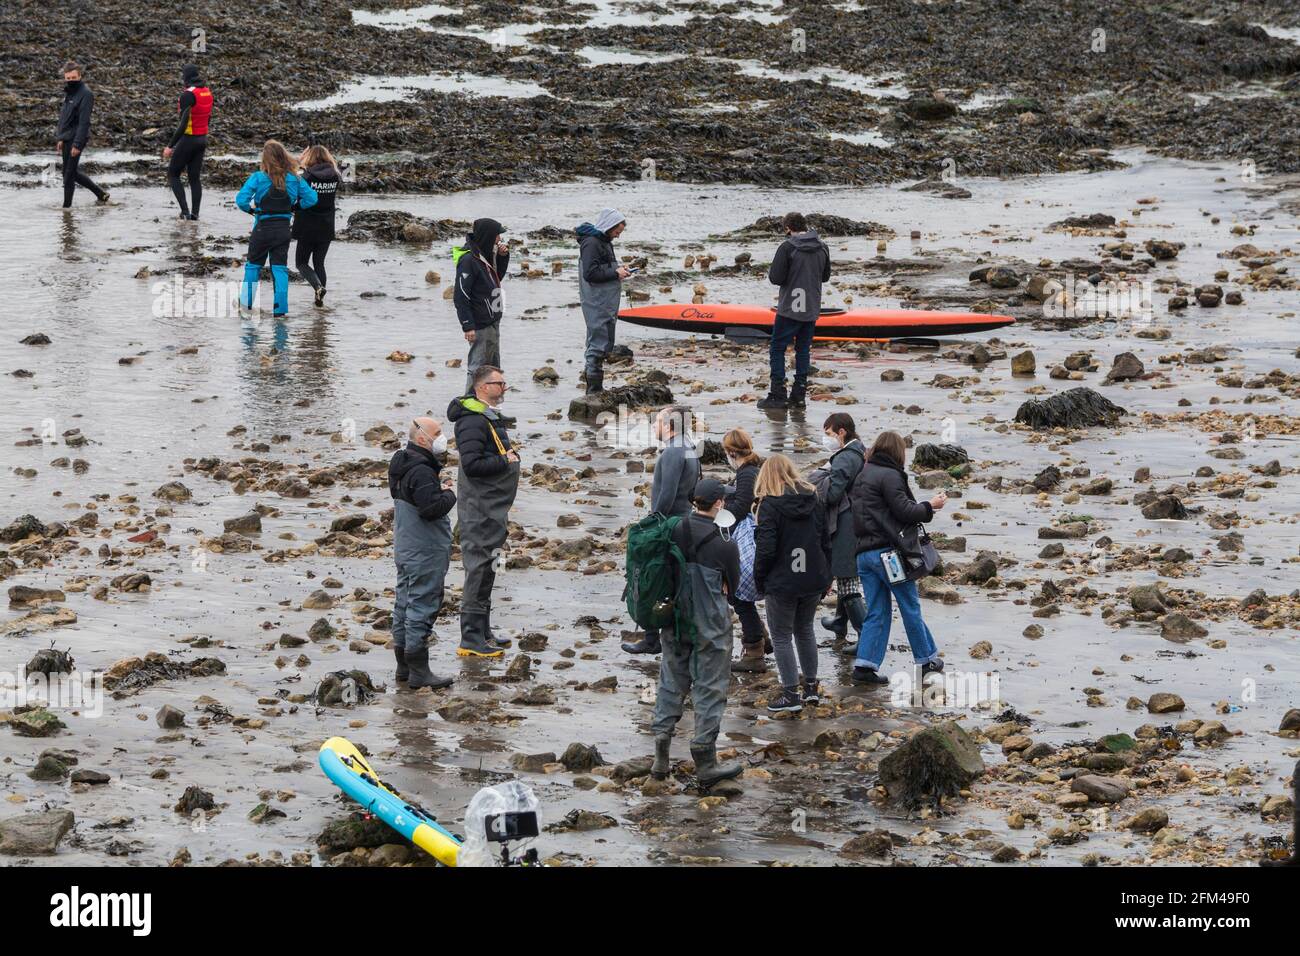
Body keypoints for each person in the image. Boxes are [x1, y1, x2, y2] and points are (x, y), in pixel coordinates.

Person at [649, 478, 743, 789]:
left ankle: (661, 755)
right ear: (718, 504)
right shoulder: (725, 542)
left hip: (675, 618)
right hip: (710, 624)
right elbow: (734, 586)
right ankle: (705, 760)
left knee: (671, 680)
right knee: (710, 686)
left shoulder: (673, 530)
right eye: (723, 500)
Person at [848, 430, 947, 685]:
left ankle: (865, 666)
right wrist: (930, 506)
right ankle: (926, 661)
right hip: (888, 556)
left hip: (864, 554)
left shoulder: (863, 474)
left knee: (877, 611)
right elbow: (905, 511)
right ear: (897, 452)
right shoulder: (890, 475)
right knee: (909, 606)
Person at [447, 365, 519, 657]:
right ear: (480, 387)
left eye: (504, 382)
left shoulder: (486, 416)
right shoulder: (472, 421)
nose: (503, 387)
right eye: (498, 383)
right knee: (479, 568)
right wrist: (506, 461)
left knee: (490, 565)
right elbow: (473, 466)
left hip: (492, 508)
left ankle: (484, 629)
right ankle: (471, 638)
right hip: (479, 509)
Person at [752, 454, 832, 713]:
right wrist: (827, 576)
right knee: (805, 629)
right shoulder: (814, 499)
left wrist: (759, 579)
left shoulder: (769, 506)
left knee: (782, 635)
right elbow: (824, 541)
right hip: (812, 576)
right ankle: (810, 689)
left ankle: (790, 694)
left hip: (783, 580)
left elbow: (766, 549)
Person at [622, 404, 700, 655]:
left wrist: (653, 523)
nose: (654, 426)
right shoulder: (688, 448)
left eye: (657, 422)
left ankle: (652, 638)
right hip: (683, 521)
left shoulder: (673, 452)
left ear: (668, 426)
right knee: (672, 579)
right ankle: (667, 634)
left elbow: (667, 492)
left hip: (668, 525)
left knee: (653, 578)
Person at [388, 417, 456, 691]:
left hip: (405, 545)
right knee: (422, 604)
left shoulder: (402, 463)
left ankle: (403, 667)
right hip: (424, 549)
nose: (443, 437)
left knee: (403, 603)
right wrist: (449, 493)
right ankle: (419, 670)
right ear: (422, 440)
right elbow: (430, 509)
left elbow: (416, 499)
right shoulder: (422, 471)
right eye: (438, 433)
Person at [236, 140, 317, 317]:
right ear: (284, 156)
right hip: (282, 230)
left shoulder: (258, 177)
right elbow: (312, 198)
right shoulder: (295, 178)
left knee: (253, 268)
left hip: (262, 229)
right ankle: (280, 311)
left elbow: (241, 200)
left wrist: (252, 210)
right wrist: (295, 207)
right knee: (279, 269)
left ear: (265, 159)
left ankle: (245, 306)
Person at [757, 212, 830, 410]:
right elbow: (825, 277)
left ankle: (778, 394)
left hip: (790, 308)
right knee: (803, 349)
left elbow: (776, 278)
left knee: (777, 348)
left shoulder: (787, 247)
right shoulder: (822, 247)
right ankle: (799, 396)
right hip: (811, 308)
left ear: (788, 228)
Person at [817, 413, 869, 645]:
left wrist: (820, 482)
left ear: (842, 432)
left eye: (828, 434)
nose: (825, 438)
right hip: (856, 520)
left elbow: (833, 494)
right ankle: (840, 620)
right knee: (844, 572)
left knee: (847, 578)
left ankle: (865, 636)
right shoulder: (860, 451)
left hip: (845, 523)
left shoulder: (845, 457)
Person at [721, 428, 769, 673]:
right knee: (739, 593)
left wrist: (718, 517)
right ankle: (761, 636)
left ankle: (754, 650)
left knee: (738, 595)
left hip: (746, 538)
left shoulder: (747, 472)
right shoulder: (751, 469)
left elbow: (742, 505)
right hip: (749, 536)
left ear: (731, 451)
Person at [575, 208, 629, 394]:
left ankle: (595, 387)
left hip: (606, 301)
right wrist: (615, 272)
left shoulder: (604, 241)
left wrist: (619, 271)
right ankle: (593, 390)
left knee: (602, 339)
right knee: (597, 342)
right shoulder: (591, 243)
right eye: (617, 232)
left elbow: (601, 268)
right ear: (609, 226)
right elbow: (590, 274)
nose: (617, 236)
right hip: (596, 301)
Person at [453, 219, 509, 394]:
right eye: (497, 235)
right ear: (488, 236)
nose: (499, 238)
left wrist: (502, 257)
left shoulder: (484, 255)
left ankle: (492, 410)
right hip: (479, 323)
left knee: (493, 368)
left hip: (492, 319)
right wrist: (467, 325)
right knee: (477, 368)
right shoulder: (469, 260)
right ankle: (469, 409)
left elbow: (496, 278)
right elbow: (460, 295)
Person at [55, 61, 109, 208]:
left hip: (76, 138)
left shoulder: (86, 94)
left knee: (68, 176)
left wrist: (77, 144)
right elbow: (64, 117)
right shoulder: (69, 92)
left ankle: (66, 210)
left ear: (80, 76)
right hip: (66, 137)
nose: (71, 81)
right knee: (71, 173)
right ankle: (101, 194)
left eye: (74, 78)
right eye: (68, 78)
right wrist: (60, 137)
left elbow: (84, 122)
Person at [162, 64, 212, 220]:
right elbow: (208, 117)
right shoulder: (206, 92)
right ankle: (195, 215)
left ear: (186, 78)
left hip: (189, 139)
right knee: (194, 178)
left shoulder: (187, 95)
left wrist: (170, 146)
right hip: (202, 139)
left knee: (173, 174)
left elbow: (183, 125)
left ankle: (184, 212)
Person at [293, 144, 341, 306]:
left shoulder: (306, 176)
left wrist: (299, 163)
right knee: (319, 263)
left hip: (306, 224)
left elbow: (295, 190)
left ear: (310, 158)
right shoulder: (335, 175)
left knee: (301, 262)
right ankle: (319, 302)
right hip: (326, 225)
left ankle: (318, 287)